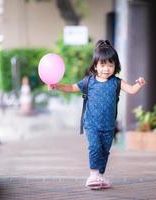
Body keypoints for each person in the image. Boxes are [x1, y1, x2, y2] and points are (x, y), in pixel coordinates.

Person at [48, 40, 146, 189]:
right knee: (94, 147)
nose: (106, 69)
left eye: (110, 65)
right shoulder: (89, 82)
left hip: (108, 126)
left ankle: (99, 175)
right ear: (95, 65)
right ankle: (93, 174)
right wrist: (57, 86)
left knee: (105, 151)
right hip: (91, 124)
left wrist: (139, 84)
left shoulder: (117, 82)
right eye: (102, 64)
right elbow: (72, 87)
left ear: (115, 66)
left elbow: (132, 90)